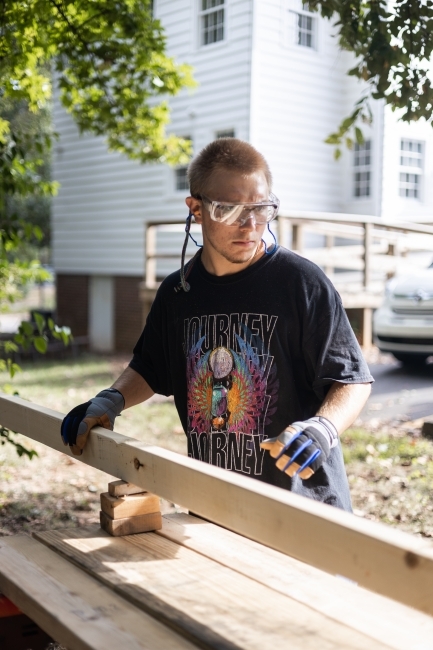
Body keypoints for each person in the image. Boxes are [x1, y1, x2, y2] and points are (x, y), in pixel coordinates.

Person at [61, 138, 373, 511]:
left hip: (306, 510)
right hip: (216, 506)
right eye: (229, 209)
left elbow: (351, 380)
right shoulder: (177, 292)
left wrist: (324, 427)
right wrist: (111, 399)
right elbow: (151, 367)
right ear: (196, 209)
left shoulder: (301, 283)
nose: (250, 224)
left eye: (261, 208)